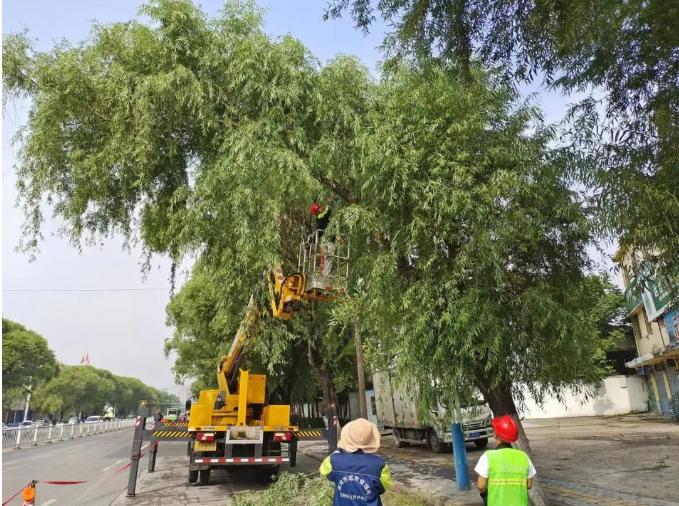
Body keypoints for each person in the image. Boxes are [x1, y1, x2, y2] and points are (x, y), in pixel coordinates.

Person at [320, 418, 392, 506]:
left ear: (347, 437)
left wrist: (339, 450)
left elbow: (324, 470)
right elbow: (383, 487)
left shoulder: (334, 460)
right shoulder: (379, 465)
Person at [474, 415, 536, 506]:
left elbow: (481, 486)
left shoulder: (488, 457)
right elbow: (529, 485)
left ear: (496, 434)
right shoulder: (524, 457)